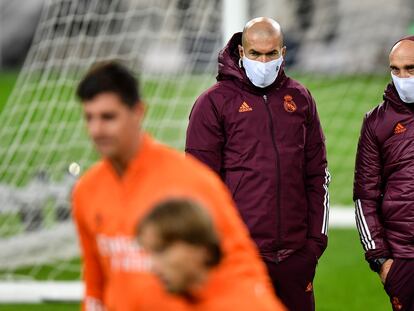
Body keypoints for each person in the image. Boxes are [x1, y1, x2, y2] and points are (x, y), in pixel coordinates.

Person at [72, 61, 277, 310]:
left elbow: (242, 268)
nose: (96, 129)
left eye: (108, 117)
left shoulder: (191, 181)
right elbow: (95, 284)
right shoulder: (87, 191)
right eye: (89, 118)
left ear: (138, 111)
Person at [185, 17, 329, 311]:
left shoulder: (300, 99)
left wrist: (314, 245)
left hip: (295, 259)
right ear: (241, 53)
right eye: (255, 54)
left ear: (283, 53)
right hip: (240, 258)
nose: (263, 61)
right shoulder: (212, 103)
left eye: (270, 53)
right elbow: (199, 187)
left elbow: (318, 176)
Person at [137, 198, 286, 311]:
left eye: (162, 250)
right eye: (151, 253)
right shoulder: (170, 299)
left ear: (202, 249)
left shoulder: (245, 305)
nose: (153, 267)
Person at [354, 35, 414, 311]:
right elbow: (365, 196)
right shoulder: (376, 122)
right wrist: (380, 261)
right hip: (403, 261)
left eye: (411, 68)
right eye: (396, 69)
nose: (403, 77)